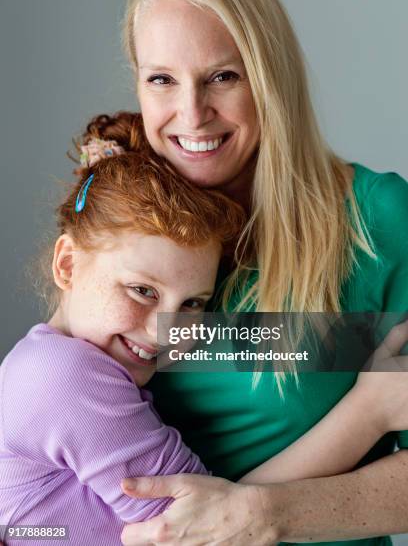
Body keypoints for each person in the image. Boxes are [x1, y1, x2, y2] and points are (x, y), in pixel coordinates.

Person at [116, 0, 408, 546]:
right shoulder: (117, 230)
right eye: (162, 80)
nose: (192, 115)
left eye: (224, 76)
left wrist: (264, 516)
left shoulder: (377, 220)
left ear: (270, 76)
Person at [1, 114, 404, 546]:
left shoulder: (62, 364)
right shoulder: (67, 376)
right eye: (141, 291)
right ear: (66, 264)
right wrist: (369, 413)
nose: (164, 331)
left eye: (193, 303)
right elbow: (207, 529)